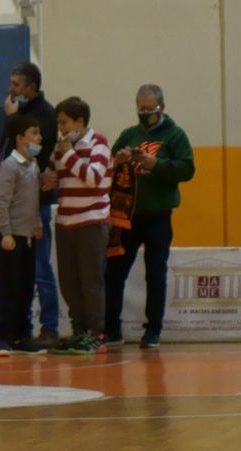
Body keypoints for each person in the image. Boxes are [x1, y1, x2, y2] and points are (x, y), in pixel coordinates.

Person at [103, 84, 195, 350]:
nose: (145, 113)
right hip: (126, 216)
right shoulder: (128, 134)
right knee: (115, 273)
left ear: (162, 107)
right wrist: (119, 159)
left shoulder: (175, 136)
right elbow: (109, 163)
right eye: (141, 108)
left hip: (158, 216)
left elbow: (187, 169)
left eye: (150, 109)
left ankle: (153, 330)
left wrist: (157, 164)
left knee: (155, 274)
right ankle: (112, 329)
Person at [48, 97, 113, 356]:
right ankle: (78, 332)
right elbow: (51, 174)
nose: (61, 128)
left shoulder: (99, 143)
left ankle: (96, 334)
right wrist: (46, 177)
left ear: (79, 121)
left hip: (92, 222)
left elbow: (93, 178)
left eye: (64, 123)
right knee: (69, 283)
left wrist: (68, 154)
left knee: (91, 282)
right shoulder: (61, 148)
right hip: (65, 223)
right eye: (59, 123)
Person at [2, 62, 60, 343]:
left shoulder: (43, 115)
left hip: (35, 201)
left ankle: (49, 326)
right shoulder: (21, 113)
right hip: (15, 200)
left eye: (16, 84)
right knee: (18, 269)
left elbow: (30, 153)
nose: (11, 89)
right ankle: (18, 327)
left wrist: (12, 119)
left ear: (31, 87)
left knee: (39, 266)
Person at [0, 114, 45, 356]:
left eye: (39, 133)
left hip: (28, 236)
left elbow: (33, 200)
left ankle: (22, 336)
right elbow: (1, 203)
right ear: (20, 138)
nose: (39, 137)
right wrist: (6, 232)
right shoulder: (9, 166)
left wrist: (37, 223)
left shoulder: (33, 165)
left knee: (25, 288)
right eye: (34, 133)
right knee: (8, 288)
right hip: (11, 237)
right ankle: (3, 337)